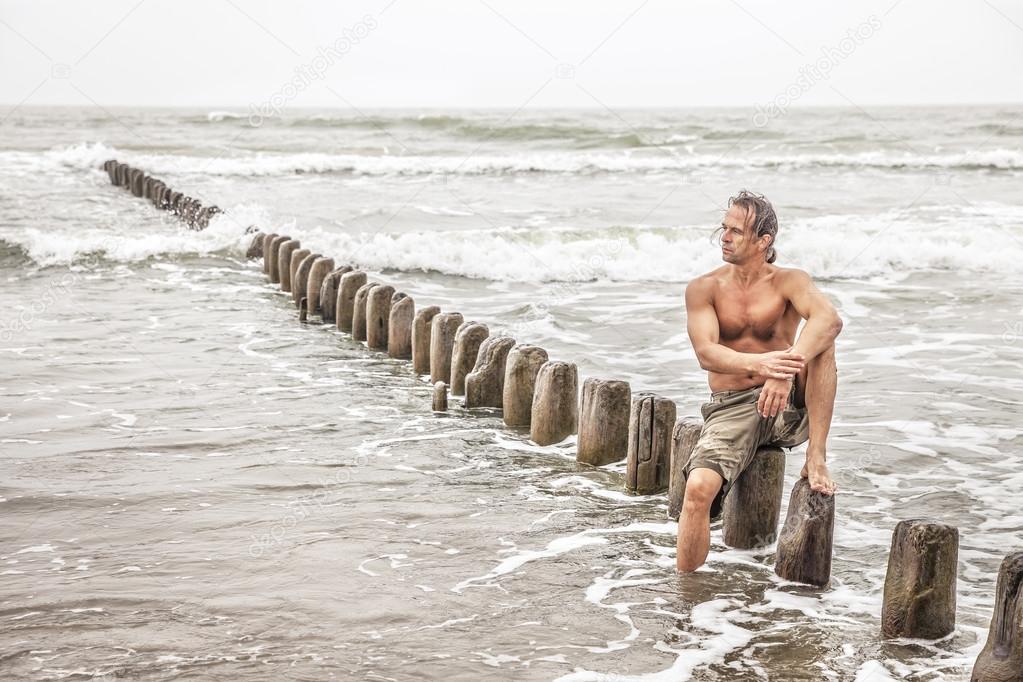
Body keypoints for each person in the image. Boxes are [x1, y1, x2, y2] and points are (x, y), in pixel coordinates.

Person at [677, 190, 842, 572]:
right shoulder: (705, 288)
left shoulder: (790, 281)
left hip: (788, 408)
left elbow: (829, 320)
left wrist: (782, 374)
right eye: (724, 228)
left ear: (764, 241)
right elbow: (707, 353)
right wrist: (765, 365)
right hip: (732, 407)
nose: (725, 236)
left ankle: (816, 456)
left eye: (736, 230)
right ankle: (686, 599)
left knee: (824, 343)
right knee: (698, 489)